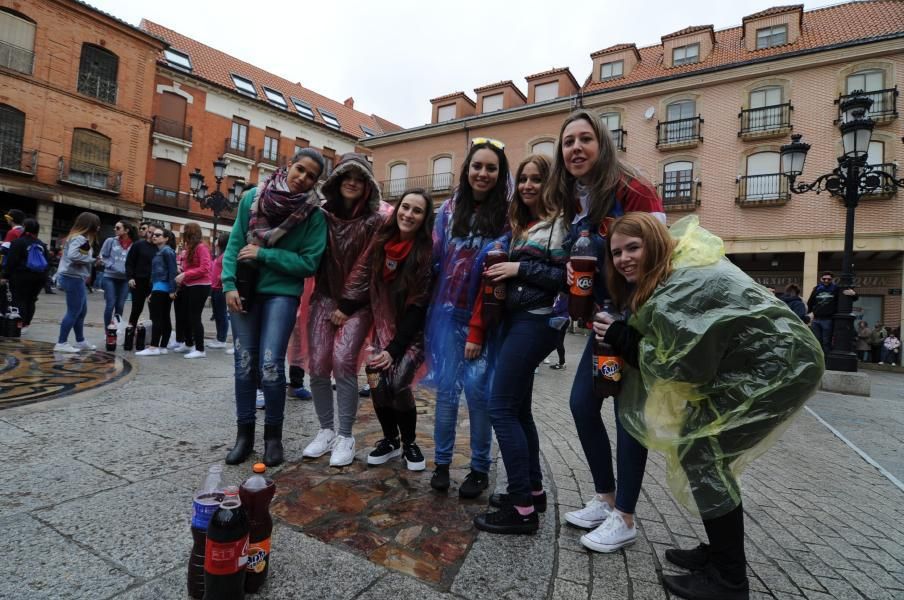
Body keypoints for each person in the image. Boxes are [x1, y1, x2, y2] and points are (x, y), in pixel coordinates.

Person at [597, 213, 823, 600]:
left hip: (781, 367)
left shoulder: (680, 286)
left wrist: (622, 338)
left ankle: (730, 580)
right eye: (617, 252)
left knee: (704, 452)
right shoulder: (671, 276)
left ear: (655, 243)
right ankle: (719, 554)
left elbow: (684, 369)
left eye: (633, 247)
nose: (623, 259)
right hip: (758, 364)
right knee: (699, 449)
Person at [553, 109, 664, 553]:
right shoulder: (577, 199)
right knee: (582, 404)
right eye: (567, 142)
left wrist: (632, 320)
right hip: (603, 319)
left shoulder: (633, 189)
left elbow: (659, 259)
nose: (575, 148)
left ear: (602, 144)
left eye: (585, 139)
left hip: (634, 322)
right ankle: (606, 498)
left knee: (627, 416)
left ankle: (626, 517)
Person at [473, 154, 567, 534]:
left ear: (550, 184)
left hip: (537, 320)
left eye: (536, 179)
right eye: (523, 179)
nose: (528, 185)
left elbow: (566, 275)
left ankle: (521, 509)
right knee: (521, 410)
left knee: (500, 409)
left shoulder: (559, 224)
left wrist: (518, 268)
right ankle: (533, 489)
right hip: (519, 321)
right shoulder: (524, 226)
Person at [222, 148, 327, 467]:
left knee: (270, 364)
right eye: (300, 169)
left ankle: (273, 438)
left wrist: (265, 255)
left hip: (281, 293)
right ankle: (244, 437)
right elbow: (236, 242)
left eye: (311, 176)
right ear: (289, 166)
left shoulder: (314, 215)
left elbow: (309, 263)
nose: (303, 178)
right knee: (244, 362)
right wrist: (228, 284)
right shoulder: (253, 196)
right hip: (244, 290)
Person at [425, 138, 511, 498]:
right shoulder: (447, 211)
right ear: (467, 169)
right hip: (446, 314)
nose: (483, 173)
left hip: (486, 318)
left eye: (491, 168)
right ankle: (442, 463)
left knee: (478, 392)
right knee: (447, 392)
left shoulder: (508, 214)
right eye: (478, 166)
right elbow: (434, 258)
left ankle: (479, 468)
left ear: (500, 173)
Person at [302, 153, 387, 468]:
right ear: (336, 182)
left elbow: (367, 266)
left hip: (358, 303)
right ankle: (326, 430)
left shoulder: (374, 222)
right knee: (319, 364)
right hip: (323, 297)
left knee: (343, 360)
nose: (352, 182)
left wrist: (347, 304)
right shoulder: (320, 217)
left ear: (367, 185)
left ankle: (346, 435)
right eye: (346, 176)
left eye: (359, 177)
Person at [347, 189, 436, 471]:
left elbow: (417, 307)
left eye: (417, 211)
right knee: (375, 380)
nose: (408, 214)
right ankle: (390, 439)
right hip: (381, 330)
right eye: (405, 207)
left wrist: (393, 349)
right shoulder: (381, 244)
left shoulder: (424, 255)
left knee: (397, 383)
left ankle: (409, 442)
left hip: (411, 336)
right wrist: (344, 307)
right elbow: (361, 280)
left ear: (424, 219)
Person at [54, 212, 101, 353]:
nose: (99, 228)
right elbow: (73, 255)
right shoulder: (80, 238)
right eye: (97, 225)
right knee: (74, 311)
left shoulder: (79, 238)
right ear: (91, 225)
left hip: (74, 277)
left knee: (81, 311)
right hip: (72, 277)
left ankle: (80, 341)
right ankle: (61, 342)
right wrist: (93, 260)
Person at [2, 218, 49, 334]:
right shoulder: (41, 244)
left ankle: (19, 323)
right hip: (39, 277)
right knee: (31, 300)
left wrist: (5, 276)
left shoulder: (18, 242)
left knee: (19, 299)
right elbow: (47, 262)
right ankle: (26, 324)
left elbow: (12, 261)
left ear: (25, 228)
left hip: (21, 275)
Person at [135, 228, 177, 356]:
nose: (154, 237)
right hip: (159, 289)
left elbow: (172, 271)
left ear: (166, 238)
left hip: (163, 289)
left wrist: (172, 289)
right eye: (153, 235)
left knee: (158, 318)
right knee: (164, 317)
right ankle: (162, 347)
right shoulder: (161, 252)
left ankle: (154, 347)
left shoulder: (167, 251)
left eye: (158, 235)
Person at [174, 223, 212, 359]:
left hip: (200, 286)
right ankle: (188, 343)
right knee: (185, 316)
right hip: (189, 285)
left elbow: (205, 268)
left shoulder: (201, 248)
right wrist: (182, 271)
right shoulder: (189, 248)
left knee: (195, 316)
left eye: (185, 232)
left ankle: (200, 349)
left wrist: (185, 274)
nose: (183, 234)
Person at [806, 271, 857, 355]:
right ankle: (819, 360)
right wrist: (810, 313)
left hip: (828, 319)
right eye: (824, 279)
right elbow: (810, 302)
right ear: (821, 279)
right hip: (816, 319)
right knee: (816, 341)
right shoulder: (817, 289)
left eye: (828, 279)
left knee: (826, 341)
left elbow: (849, 297)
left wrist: (854, 294)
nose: (826, 280)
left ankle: (826, 360)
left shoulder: (836, 289)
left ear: (832, 280)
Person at [99, 220, 135, 329]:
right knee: (110, 304)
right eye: (115, 227)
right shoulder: (110, 241)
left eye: (118, 228)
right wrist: (112, 266)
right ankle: (108, 331)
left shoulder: (134, 244)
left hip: (125, 279)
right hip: (110, 277)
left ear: (126, 230)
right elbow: (102, 257)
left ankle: (117, 329)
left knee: (120, 305)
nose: (115, 229)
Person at [126, 222, 157, 329]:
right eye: (149, 232)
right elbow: (129, 262)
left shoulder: (160, 248)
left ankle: (153, 337)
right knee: (136, 309)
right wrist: (130, 277)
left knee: (154, 310)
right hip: (138, 282)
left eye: (155, 234)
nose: (152, 235)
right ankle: (130, 333)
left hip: (153, 283)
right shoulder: (138, 245)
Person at [207, 232, 230, 351]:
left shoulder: (226, 254)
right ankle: (219, 337)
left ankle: (222, 339)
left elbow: (229, 269)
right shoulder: (220, 254)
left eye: (218, 240)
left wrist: (222, 276)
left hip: (221, 288)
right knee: (217, 314)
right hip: (215, 288)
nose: (216, 242)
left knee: (221, 315)